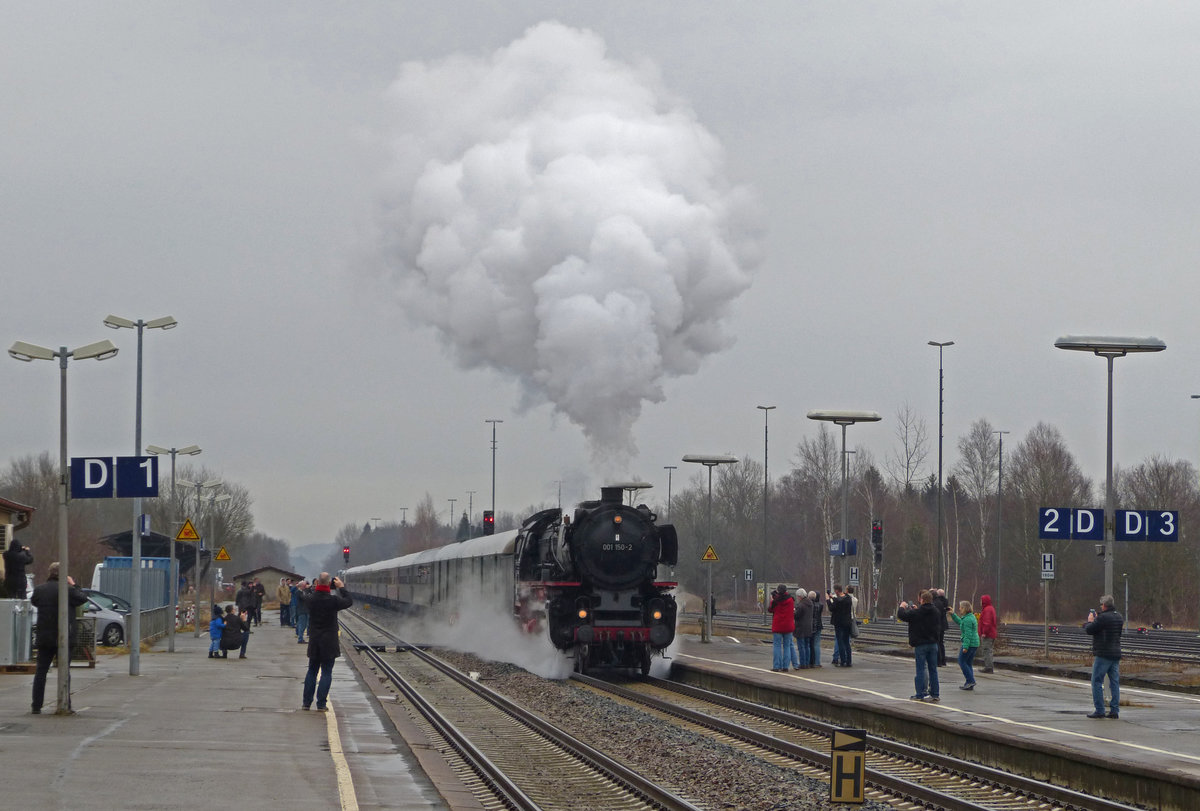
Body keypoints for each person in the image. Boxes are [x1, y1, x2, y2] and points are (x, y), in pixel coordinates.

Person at [29, 562, 88, 714]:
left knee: (41, 671)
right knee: (64, 671)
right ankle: (65, 703)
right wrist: (74, 584)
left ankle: (36, 705)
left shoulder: (40, 590)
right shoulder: (67, 590)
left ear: (50, 573)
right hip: (64, 636)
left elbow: (34, 601)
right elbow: (82, 598)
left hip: (44, 636)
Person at [300, 572, 353, 711]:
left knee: (312, 671)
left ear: (317, 582)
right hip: (329, 641)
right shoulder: (334, 600)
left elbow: (304, 595)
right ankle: (321, 704)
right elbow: (349, 601)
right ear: (330, 583)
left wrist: (312, 586)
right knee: (326, 672)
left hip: (315, 640)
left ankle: (306, 703)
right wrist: (342, 587)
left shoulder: (311, 599)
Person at [1084, 595, 1123, 719]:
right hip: (1115, 653)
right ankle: (1114, 710)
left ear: (1104, 605)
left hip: (1103, 654)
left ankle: (1100, 710)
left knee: (1096, 681)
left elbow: (1089, 630)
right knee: (1114, 682)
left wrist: (1090, 620)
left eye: (1101, 605)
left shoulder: (1102, 618)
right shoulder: (1119, 617)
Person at [897, 589, 941, 702]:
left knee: (921, 669)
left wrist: (902, 606)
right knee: (933, 670)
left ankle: (920, 693)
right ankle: (935, 694)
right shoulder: (936, 611)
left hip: (921, 644)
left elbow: (902, 615)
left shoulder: (917, 613)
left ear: (921, 600)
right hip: (933, 644)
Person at [948, 600, 979, 690]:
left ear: (965, 608)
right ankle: (969, 683)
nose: (959, 609)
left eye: (961, 607)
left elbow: (968, 634)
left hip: (970, 644)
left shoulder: (968, 619)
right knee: (968, 663)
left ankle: (970, 681)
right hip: (974, 643)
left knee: (961, 661)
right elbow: (961, 622)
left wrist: (965, 647)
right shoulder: (969, 617)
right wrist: (953, 614)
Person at [767, 584, 795, 672]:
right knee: (787, 646)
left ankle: (776, 666)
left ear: (778, 591)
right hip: (788, 625)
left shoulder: (775, 601)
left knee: (777, 646)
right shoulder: (791, 600)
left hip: (778, 625)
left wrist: (772, 600)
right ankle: (785, 666)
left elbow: (770, 610)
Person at [827, 585, 854, 667]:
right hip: (847, 622)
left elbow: (831, 608)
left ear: (837, 591)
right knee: (846, 642)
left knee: (840, 642)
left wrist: (828, 600)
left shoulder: (836, 600)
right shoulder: (848, 598)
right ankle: (849, 661)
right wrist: (832, 598)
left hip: (839, 623)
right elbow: (841, 598)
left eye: (835, 591)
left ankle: (843, 661)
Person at [792, 588, 812, 669]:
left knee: (801, 647)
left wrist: (794, 612)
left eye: (797, 596)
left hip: (800, 628)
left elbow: (797, 616)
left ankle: (803, 663)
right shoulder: (810, 603)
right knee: (807, 646)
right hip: (808, 627)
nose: (797, 598)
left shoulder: (801, 605)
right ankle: (807, 663)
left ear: (800, 596)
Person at [978, 594, 997, 674]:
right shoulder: (989, 608)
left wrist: (984, 632)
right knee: (988, 650)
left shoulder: (987, 610)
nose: (980, 602)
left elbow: (987, 622)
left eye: (981, 600)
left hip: (987, 634)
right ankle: (988, 666)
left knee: (986, 650)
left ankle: (988, 667)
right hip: (991, 633)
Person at [932, 588, 950, 666]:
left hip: (938, 625)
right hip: (943, 624)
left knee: (938, 642)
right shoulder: (944, 602)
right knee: (941, 643)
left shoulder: (935, 603)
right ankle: (943, 660)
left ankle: (939, 661)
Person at [808, 590, 823, 667]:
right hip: (819, 625)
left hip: (812, 626)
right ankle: (817, 662)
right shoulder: (821, 605)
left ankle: (811, 661)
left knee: (811, 644)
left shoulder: (811, 605)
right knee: (817, 644)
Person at [294, 579, 311, 643]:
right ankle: (300, 639)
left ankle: (300, 637)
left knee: (304, 625)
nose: (305, 587)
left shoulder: (303, 592)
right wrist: (307, 590)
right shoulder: (298, 592)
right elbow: (304, 598)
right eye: (304, 586)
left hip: (305, 610)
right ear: (301, 586)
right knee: (302, 625)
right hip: (302, 611)